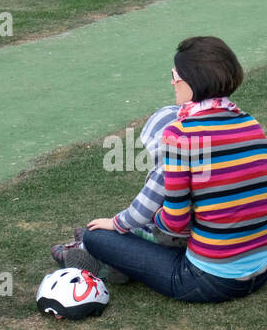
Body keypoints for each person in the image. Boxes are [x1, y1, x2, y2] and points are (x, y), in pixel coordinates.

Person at [72, 36, 267, 304]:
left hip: (209, 280)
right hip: (262, 270)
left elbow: (174, 223)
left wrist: (135, 221)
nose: (172, 82)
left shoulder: (180, 133)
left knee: (96, 235)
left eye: (175, 75)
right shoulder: (251, 123)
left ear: (193, 80)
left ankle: (106, 257)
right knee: (141, 229)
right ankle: (120, 260)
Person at [50, 103, 188, 281]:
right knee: (140, 227)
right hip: (186, 234)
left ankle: (94, 255)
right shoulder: (202, 163)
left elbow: (141, 211)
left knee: (123, 232)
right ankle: (101, 251)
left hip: (169, 235)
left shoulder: (166, 171)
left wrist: (115, 223)